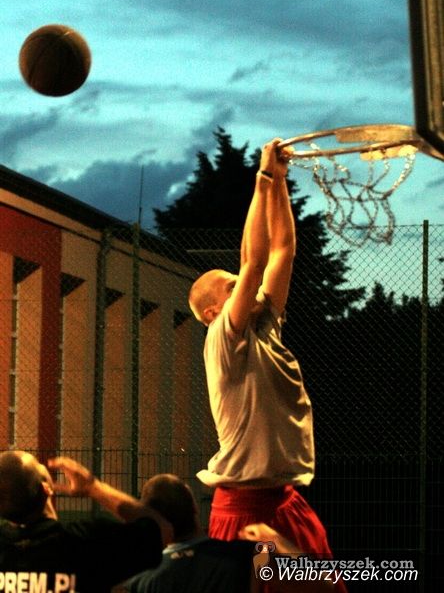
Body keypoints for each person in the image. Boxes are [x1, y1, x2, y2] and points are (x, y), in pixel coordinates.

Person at [188, 138, 346, 592]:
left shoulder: (264, 326)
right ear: (213, 313)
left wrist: (279, 181)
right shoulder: (223, 337)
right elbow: (254, 260)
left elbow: (282, 252)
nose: (244, 285)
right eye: (232, 286)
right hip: (245, 513)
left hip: (284, 500)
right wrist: (261, 177)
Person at [0, 451, 172, 592]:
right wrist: (93, 487)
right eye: (39, 464)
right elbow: (163, 530)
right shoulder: (86, 541)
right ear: (46, 488)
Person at [121, 473, 259, 593]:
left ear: (156, 522)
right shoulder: (241, 556)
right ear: (195, 506)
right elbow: (272, 578)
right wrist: (271, 540)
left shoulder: (142, 581)